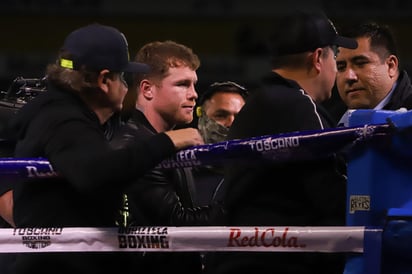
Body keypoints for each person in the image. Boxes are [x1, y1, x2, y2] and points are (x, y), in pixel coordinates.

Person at [7, 24, 203, 274]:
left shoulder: (63, 114)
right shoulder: (63, 120)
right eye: (122, 77)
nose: (125, 86)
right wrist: (168, 141)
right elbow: (95, 173)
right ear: (103, 80)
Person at [204, 10, 358, 274]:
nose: (339, 69)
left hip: (243, 258)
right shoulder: (298, 105)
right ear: (319, 58)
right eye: (337, 58)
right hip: (278, 262)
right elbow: (331, 194)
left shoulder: (260, 102)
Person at [110, 40, 225, 274]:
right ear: (147, 89)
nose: (194, 95)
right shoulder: (135, 145)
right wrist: (241, 199)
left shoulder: (168, 141)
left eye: (194, 84)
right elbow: (179, 225)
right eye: (182, 84)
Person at [335, 21, 412, 127]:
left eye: (360, 63)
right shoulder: (330, 119)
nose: (349, 76)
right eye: (341, 67)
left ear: (391, 66)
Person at [193, 81, 248, 205]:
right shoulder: (179, 170)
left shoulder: (259, 177)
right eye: (221, 115)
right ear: (202, 118)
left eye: (239, 117)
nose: (231, 123)